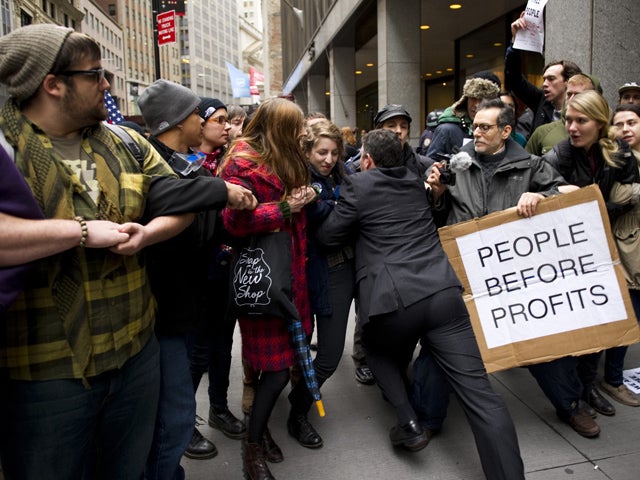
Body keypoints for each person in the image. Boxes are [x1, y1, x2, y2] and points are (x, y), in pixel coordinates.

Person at [0, 25, 207, 479]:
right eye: (96, 74)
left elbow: (182, 200)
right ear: (53, 84)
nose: (108, 85)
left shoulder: (126, 142)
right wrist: (77, 232)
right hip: (45, 374)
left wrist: (148, 234)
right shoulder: (6, 149)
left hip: (136, 353)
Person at [317, 128, 525, 479]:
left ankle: (408, 421)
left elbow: (328, 236)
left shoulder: (358, 185)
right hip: (442, 295)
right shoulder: (416, 183)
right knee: (481, 395)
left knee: (375, 349)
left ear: (366, 160)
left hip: (393, 301)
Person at [423, 98, 604, 438]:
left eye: (485, 127)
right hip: (465, 281)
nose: (475, 132)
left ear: (506, 131)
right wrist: (436, 194)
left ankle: (570, 405)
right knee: (444, 348)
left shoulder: (532, 166)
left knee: (544, 348)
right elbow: (434, 219)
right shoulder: (454, 166)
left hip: (516, 283)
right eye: (474, 125)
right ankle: (427, 418)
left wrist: (542, 197)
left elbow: (571, 195)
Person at [138, 81, 256, 479]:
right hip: (167, 308)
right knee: (173, 416)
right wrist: (221, 191)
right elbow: (168, 200)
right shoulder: (155, 163)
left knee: (180, 404)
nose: (206, 121)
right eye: (199, 115)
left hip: (194, 298)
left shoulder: (190, 162)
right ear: (177, 122)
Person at [219, 97, 317, 480]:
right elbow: (233, 222)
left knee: (284, 364)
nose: (303, 134)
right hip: (264, 279)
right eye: (297, 128)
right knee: (275, 371)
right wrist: (286, 209)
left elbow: (298, 198)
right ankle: (252, 447)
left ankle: (259, 430)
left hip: (293, 274)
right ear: (278, 130)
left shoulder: (283, 155)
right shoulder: (242, 162)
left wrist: (308, 196)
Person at [544, 91, 639, 417]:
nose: (571, 127)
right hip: (568, 257)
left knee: (597, 326)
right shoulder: (560, 155)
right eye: (568, 119)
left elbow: (628, 196)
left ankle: (588, 388)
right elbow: (543, 194)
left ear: (599, 123)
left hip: (602, 250)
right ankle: (574, 398)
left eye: (580, 120)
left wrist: (594, 202)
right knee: (572, 331)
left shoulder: (619, 152)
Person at [287, 120, 355, 448]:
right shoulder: (298, 181)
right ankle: (296, 412)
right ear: (307, 152)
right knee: (300, 352)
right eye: (321, 152)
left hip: (338, 273)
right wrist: (336, 206)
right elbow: (320, 216)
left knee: (328, 355)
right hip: (304, 276)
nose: (328, 159)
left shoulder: (344, 176)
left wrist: (333, 205)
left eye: (333, 152)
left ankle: (296, 409)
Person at [187, 97, 247, 460]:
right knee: (198, 352)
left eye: (228, 120)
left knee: (223, 346)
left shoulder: (229, 161)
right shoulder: (188, 164)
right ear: (200, 124)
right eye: (219, 120)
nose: (226, 126)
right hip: (198, 273)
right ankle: (183, 423)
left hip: (227, 268)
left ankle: (218, 409)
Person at [605, 103, 640, 407]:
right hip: (628, 248)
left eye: (633, 122)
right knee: (630, 318)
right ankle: (613, 379)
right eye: (620, 124)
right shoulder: (616, 158)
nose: (626, 129)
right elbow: (616, 197)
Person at [505, 11, 582, 138]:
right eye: (544, 79)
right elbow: (514, 79)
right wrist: (516, 42)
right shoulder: (541, 101)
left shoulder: (585, 107)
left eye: (551, 79)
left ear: (568, 82)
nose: (545, 84)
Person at [525, 74, 599, 156]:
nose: (571, 99)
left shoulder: (607, 134)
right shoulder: (543, 132)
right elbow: (526, 165)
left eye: (578, 95)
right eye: (569, 94)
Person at [426, 77, 500, 158]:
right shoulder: (446, 130)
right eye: (473, 98)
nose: (476, 105)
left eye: (482, 100)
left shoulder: (499, 129)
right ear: (465, 100)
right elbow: (431, 163)